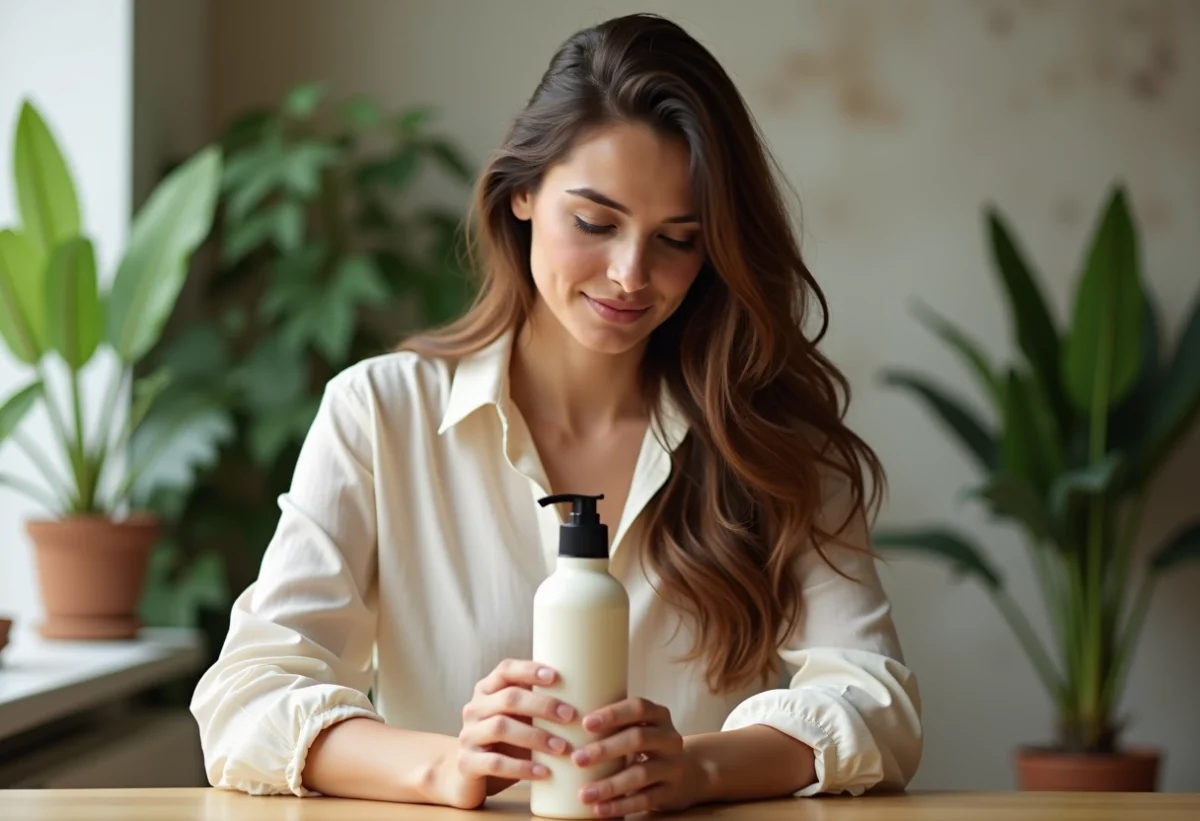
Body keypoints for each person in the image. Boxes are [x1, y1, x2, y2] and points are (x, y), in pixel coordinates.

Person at [190, 12, 922, 817]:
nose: (630, 273)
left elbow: (877, 701)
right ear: (523, 192)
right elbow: (247, 699)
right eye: (595, 223)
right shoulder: (380, 414)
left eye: (678, 239)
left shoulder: (768, 438)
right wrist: (444, 766)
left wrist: (700, 768)